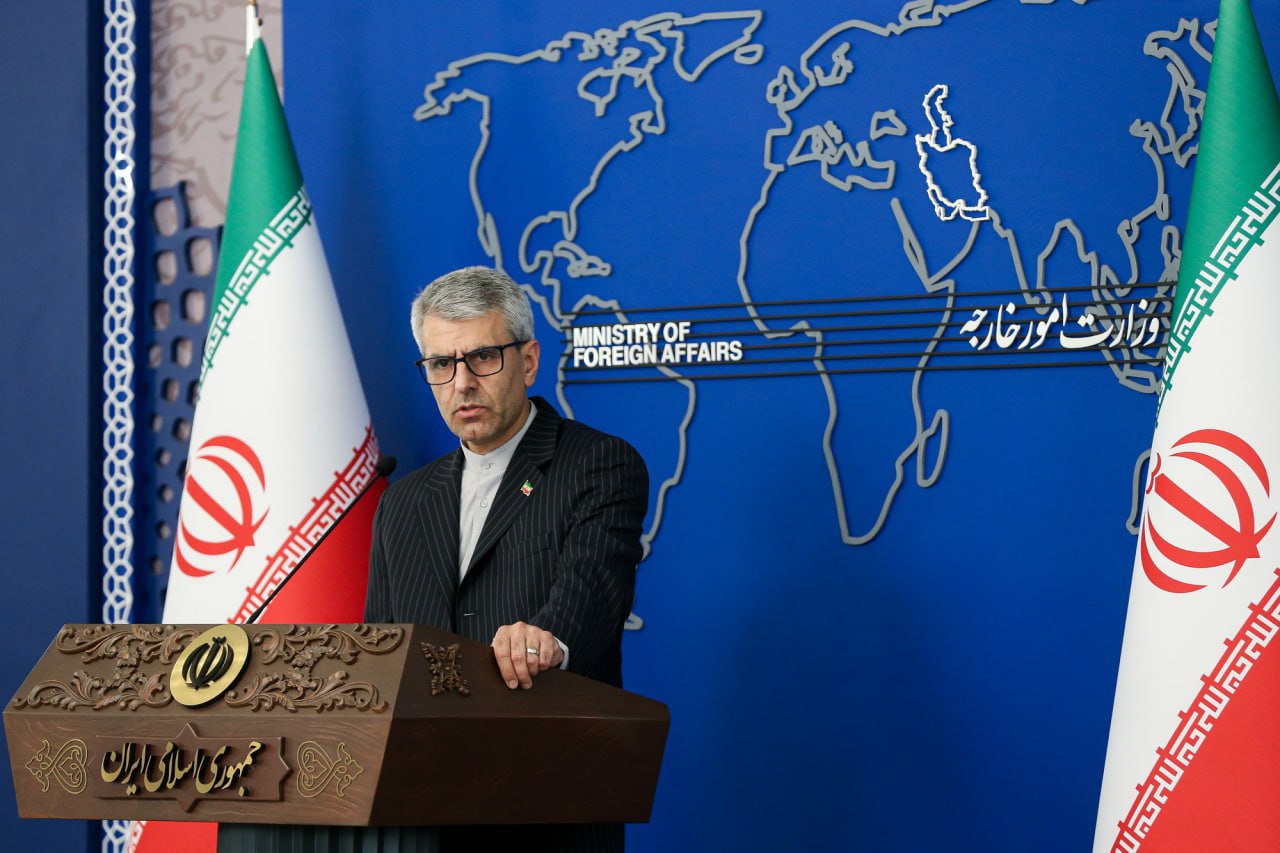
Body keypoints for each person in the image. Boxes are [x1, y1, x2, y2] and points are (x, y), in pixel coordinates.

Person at [364, 265, 649, 852]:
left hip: (548, 801)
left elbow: (593, 592)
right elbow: (380, 650)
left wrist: (547, 640)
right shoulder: (404, 501)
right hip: (422, 811)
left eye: (483, 358)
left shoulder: (597, 465)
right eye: (441, 364)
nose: (462, 383)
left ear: (529, 360)